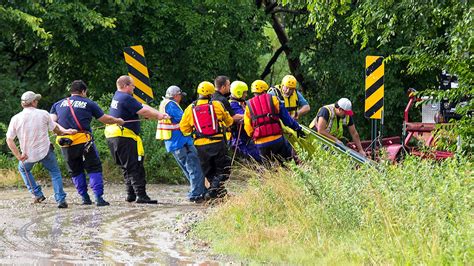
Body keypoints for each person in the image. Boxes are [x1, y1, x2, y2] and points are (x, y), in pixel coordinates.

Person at [50, 80, 124, 207]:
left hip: (66, 142)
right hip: (84, 142)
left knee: (75, 170)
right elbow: (105, 119)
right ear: (83, 91)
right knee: (93, 167)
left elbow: (51, 123)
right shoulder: (89, 103)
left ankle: (85, 198)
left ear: (71, 91)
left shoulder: (57, 104)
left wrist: (64, 131)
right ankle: (99, 198)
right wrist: (118, 120)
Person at [105, 75, 169, 204]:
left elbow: (142, 106)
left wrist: (158, 113)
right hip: (125, 136)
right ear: (126, 86)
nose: (134, 88)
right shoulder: (126, 98)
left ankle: (131, 194)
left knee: (126, 166)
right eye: (133, 85)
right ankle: (141, 195)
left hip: (114, 136)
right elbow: (144, 111)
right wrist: (159, 116)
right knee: (135, 166)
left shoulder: (118, 96)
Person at [6, 91, 75, 208]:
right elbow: (55, 129)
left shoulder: (15, 118)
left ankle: (37, 194)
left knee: (23, 169)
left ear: (23, 104)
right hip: (46, 151)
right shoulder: (43, 114)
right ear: (33, 102)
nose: (37, 101)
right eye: (36, 100)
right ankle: (61, 200)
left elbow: (9, 140)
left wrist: (18, 156)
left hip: (28, 155)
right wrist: (66, 132)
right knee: (55, 173)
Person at [180, 81, 233, 198]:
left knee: (208, 171)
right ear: (211, 93)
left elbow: (184, 129)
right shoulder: (217, 105)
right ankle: (214, 190)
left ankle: (216, 192)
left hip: (200, 146)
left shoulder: (190, 108)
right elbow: (229, 121)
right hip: (218, 143)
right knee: (224, 168)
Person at [156, 85, 207, 203]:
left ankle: (200, 190)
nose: (181, 98)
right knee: (195, 168)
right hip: (182, 142)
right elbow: (185, 120)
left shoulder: (164, 103)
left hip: (173, 143)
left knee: (189, 169)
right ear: (175, 95)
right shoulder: (171, 105)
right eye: (180, 95)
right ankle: (196, 194)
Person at [244, 80, 306, 164]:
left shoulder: (248, 106)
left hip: (261, 144)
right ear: (265, 90)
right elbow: (287, 120)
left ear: (253, 92)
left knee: (268, 169)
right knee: (287, 163)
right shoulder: (274, 100)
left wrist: (255, 136)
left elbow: (248, 128)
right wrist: (297, 128)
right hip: (277, 140)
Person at [228, 81, 262, 163]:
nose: (246, 95)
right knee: (259, 157)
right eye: (244, 93)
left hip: (246, 139)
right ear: (238, 92)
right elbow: (246, 117)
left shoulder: (241, 103)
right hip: (239, 141)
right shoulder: (233, 105)